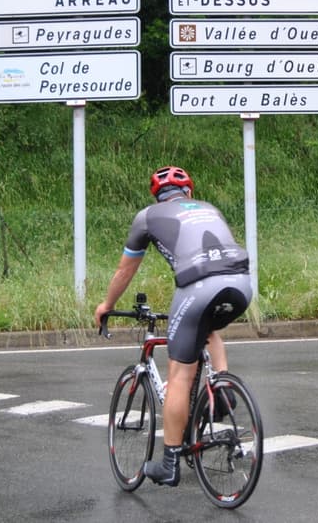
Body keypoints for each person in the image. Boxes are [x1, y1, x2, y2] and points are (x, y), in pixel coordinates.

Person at [94, 166, 252, 487]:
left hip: (198, 286)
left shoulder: (147, 216)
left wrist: (106, 306)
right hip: (241, 283)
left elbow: (124, 272)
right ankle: (221, 390)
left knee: (180, 372)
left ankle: (169, 464)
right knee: (208, 331)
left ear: (157, 195)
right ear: (189, 193)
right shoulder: (209, 208)